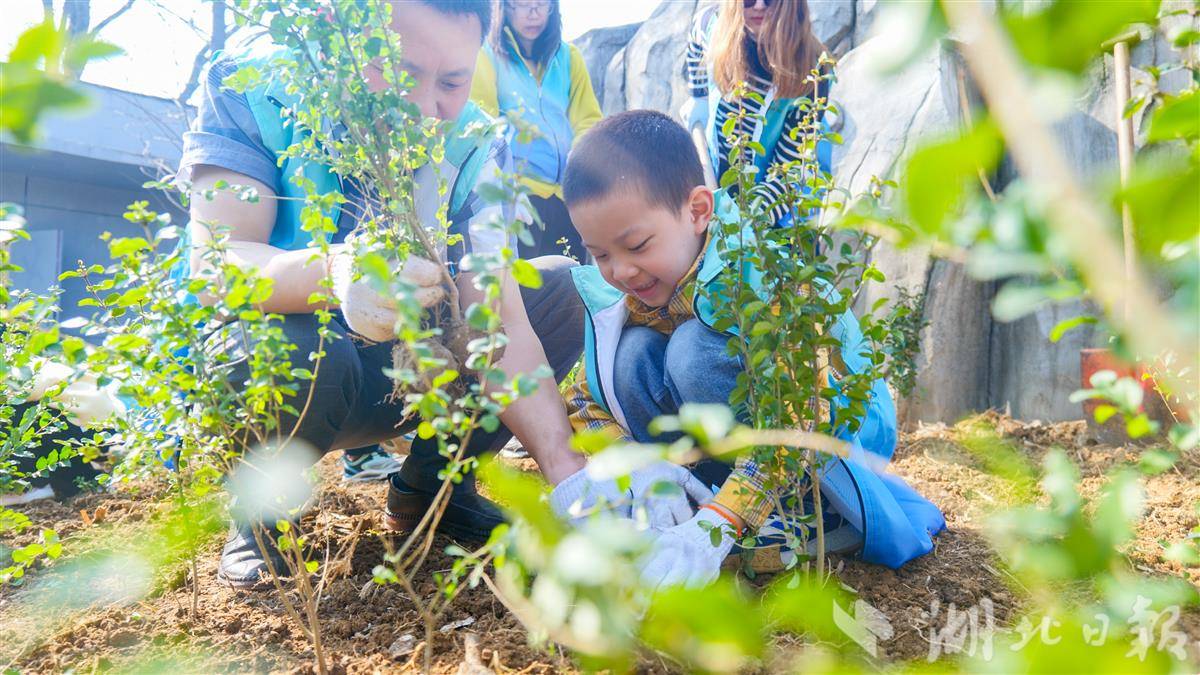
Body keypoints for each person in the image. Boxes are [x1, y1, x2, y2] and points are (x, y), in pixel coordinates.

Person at [182, 0, 701, 590]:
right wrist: (334, 274)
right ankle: (262, 517)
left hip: (412, 379)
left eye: (453, 81)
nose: (426, 108)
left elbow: (497, 323)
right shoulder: (253, 87)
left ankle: (431, 492)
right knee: (283, 342)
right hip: (307, 366)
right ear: (339, 34)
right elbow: (216, 263)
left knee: (557, 289)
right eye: (402, 75)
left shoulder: (475, 144)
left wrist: (568, 474)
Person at [558, 110, 946, 589]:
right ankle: (692, 496)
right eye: (599, 255)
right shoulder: (627, 295)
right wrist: (639, 471)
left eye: (636, 245)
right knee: (630, 355)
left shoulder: (759, 280)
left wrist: (720, 522)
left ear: (699, 211)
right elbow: (582, 395)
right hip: (736, 447)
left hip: (826, 445)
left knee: (691, 351)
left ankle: (801, 511)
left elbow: (798, 413)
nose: (620, 271)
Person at [469, 0, 602, 261]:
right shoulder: (487, 55)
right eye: (522, 4)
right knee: (526, 291)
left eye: (541, 4)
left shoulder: (569, 57)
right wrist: (506, 188)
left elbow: (588, 119)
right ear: (504, 8)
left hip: (567, 197)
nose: (534, 13)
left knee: (573, 281)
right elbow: (483, 124)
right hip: (518, 198)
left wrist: (580, 158)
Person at [682, 0, 832, 227]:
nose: (759, 6)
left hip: (769, 196)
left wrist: (750, 225)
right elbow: (695, 40)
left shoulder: (811, 70)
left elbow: (787, 172)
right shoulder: (712, 25)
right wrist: (699, 96)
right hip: (714, 174)